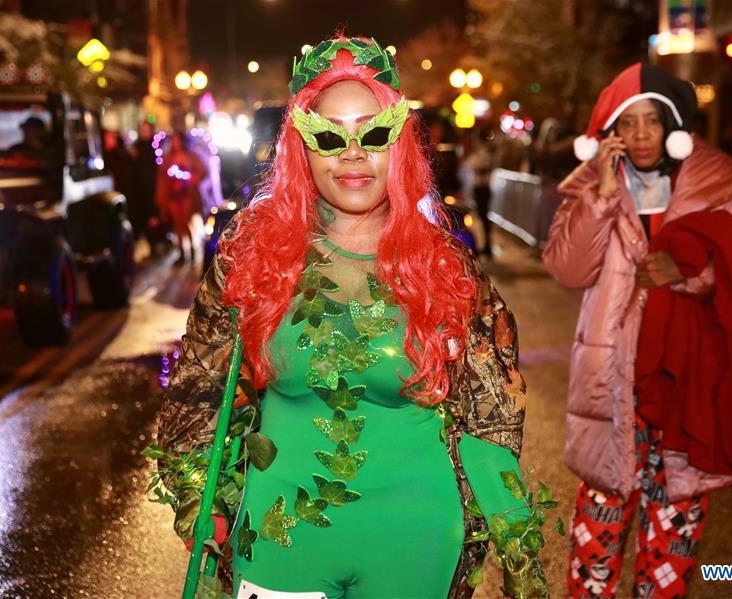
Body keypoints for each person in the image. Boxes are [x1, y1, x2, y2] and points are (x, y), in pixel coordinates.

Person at [154, 36, 549, 598]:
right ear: (301, 148)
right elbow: (198, 394)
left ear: (400, 144)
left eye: (375, 133)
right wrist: (200, 503)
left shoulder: (445, 268)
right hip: (280, 541)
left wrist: (519, 545)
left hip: (415, 543)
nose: (352, 153)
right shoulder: (250, 260)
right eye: (330, 136)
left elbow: (490, 414)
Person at [544, 63, 732, 598]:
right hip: (611, 384)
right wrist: (602, 195)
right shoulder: (593, 185)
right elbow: (567, 269)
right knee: (598, 529)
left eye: (651, 122)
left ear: (675, 126)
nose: (638, 136)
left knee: (672, 532)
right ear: (609, 133)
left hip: (686, 385)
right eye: (626, 124)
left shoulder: (721, 185)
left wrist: (694, 274)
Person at [156, 131, 207, 265]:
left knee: (187, 223)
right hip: (174, 196)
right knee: (178, 225)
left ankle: (192, 249)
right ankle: (182, 253)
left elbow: (203, 171)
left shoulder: (191, 156)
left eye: (178, 140)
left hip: (187, 195)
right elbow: (163, 178)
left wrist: (192, 179)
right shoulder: (168, 158)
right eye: (174, 140)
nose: (176, 143)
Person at [463, 127, 497, 256]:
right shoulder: (481, 150)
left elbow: (475, 165)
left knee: (483, 216)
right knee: (481, 216)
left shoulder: (485, 151)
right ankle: (485, 244)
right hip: (479, 187)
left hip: (483, 187)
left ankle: (487, 245)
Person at [131, 121, 161, 253]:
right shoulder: (137, 147)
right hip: (139, 187)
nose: (144, 132)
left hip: (153, 186)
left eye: (146, 129)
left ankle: (155, 243)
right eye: (142, 129)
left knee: (152, 217)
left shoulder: (155, 148)